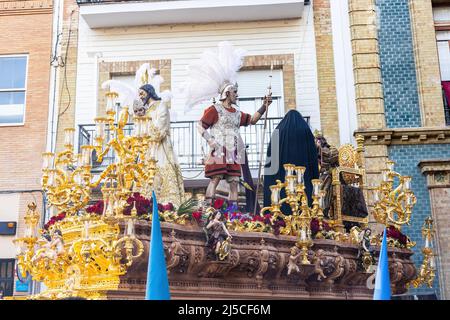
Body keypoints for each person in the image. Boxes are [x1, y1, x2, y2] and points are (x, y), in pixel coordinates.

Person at [199, 83, 272, 209]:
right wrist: (210, 140)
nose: (237, 95)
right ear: (227, 93)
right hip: (218, 150)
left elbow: (253, 120)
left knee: (234, 182)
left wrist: (264, 106)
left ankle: (232, 214)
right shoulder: (215, 109)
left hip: (233, 151)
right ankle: (208, 211)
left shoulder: (237, 113)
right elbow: (200, 126)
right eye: (235, 92)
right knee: (215, 179)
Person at [135, 82, 185, 207]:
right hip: (146, 150)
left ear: (149, 92)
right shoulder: (145, 112)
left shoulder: (161, 105)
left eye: (142, 93)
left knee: (160, 174)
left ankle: (166, 205)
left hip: (160, 148)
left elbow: (160, 128)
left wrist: (146, 128)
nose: (140, 96)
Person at [263, 110, 319, 214]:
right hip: (302, 184)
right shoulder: (305, 130)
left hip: (281, 184)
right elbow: (313, 159)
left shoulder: (278, 131)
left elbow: (270, 164)